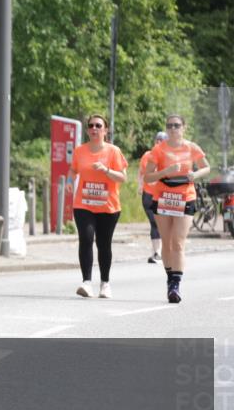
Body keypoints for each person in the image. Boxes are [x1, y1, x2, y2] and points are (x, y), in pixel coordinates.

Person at [144, 115, 210, 303]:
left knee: (178, 242)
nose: (173, 129)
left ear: (184, 127)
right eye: (169, 126)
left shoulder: (192, 147)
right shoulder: (159, 149)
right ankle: (170, 278)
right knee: (167, 242)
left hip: (185, 196)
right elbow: (148, 177)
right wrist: (165, 172)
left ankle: (175, 285)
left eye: (177, 125)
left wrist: (194, 174)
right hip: (164, 197)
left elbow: (207, 167)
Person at [65, 114, 128, 299]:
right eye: (91, 126)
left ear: (105, 130)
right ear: (87, 130)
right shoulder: (79, 151)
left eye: (98, 126)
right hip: (83, 203)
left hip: (108, 206)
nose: (94, 129)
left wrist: (106, 170)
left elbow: (123, 177)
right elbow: (73, 169)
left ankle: (105, 283)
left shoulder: (114, 151)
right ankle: (86, 282)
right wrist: (70, 180)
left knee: (103, 244)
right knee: (86, 238)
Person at [138, 131, 169, 263]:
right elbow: (141, 173)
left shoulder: (168, 158)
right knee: (154, 222)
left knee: (157, 223)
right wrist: (139, 186)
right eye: (157, 140)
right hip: (147, 194)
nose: (158, 142)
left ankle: (157, 252)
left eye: (161, 140)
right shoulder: (147, 155)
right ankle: (157, 252)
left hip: (161, 195)